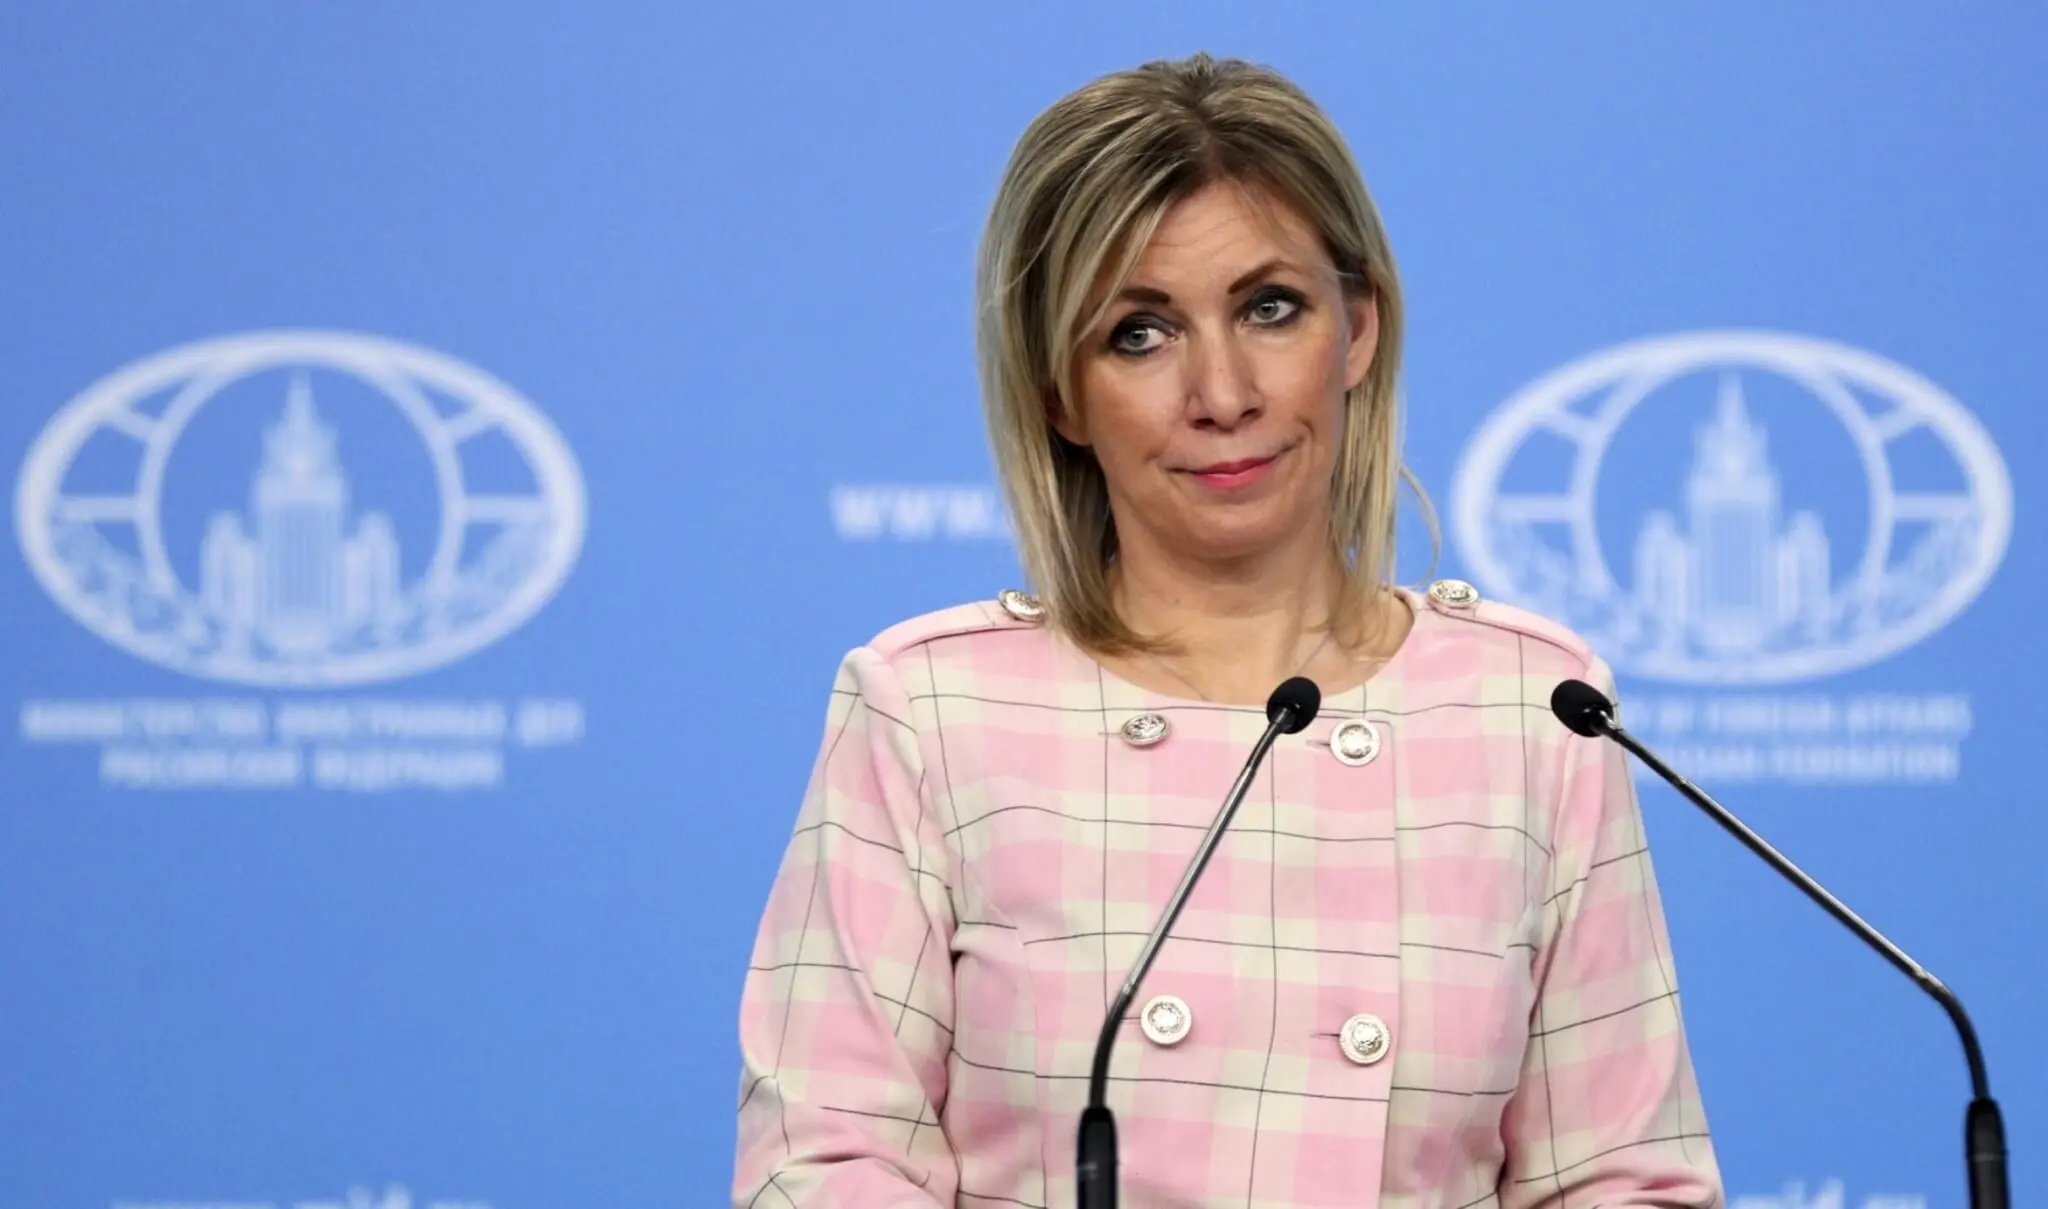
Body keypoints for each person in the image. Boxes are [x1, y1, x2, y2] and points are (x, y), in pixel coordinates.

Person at [734, 52, 1721, 1209]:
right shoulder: (929, 710)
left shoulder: (1533, 706)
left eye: (1268, 309)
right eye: (1138, 334)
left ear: (1356, 329)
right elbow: (822, 1167)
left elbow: (1621, 1180)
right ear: (1056, 391)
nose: (1222, 394)